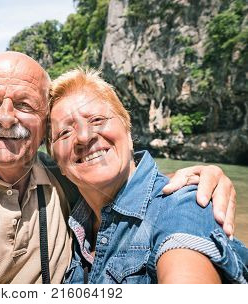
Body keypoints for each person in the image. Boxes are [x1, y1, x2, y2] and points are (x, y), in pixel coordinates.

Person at [0, 51, 238, 284]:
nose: (6, 118)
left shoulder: (178, 202)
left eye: (24, 105)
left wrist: (201, 184)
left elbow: (182, 254)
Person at [48, 68, 247, 283]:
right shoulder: (65, 215)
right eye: (64, 132)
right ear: (57, 162)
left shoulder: (184, 202)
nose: (84, 137)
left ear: (129, 132)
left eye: (97, 120)